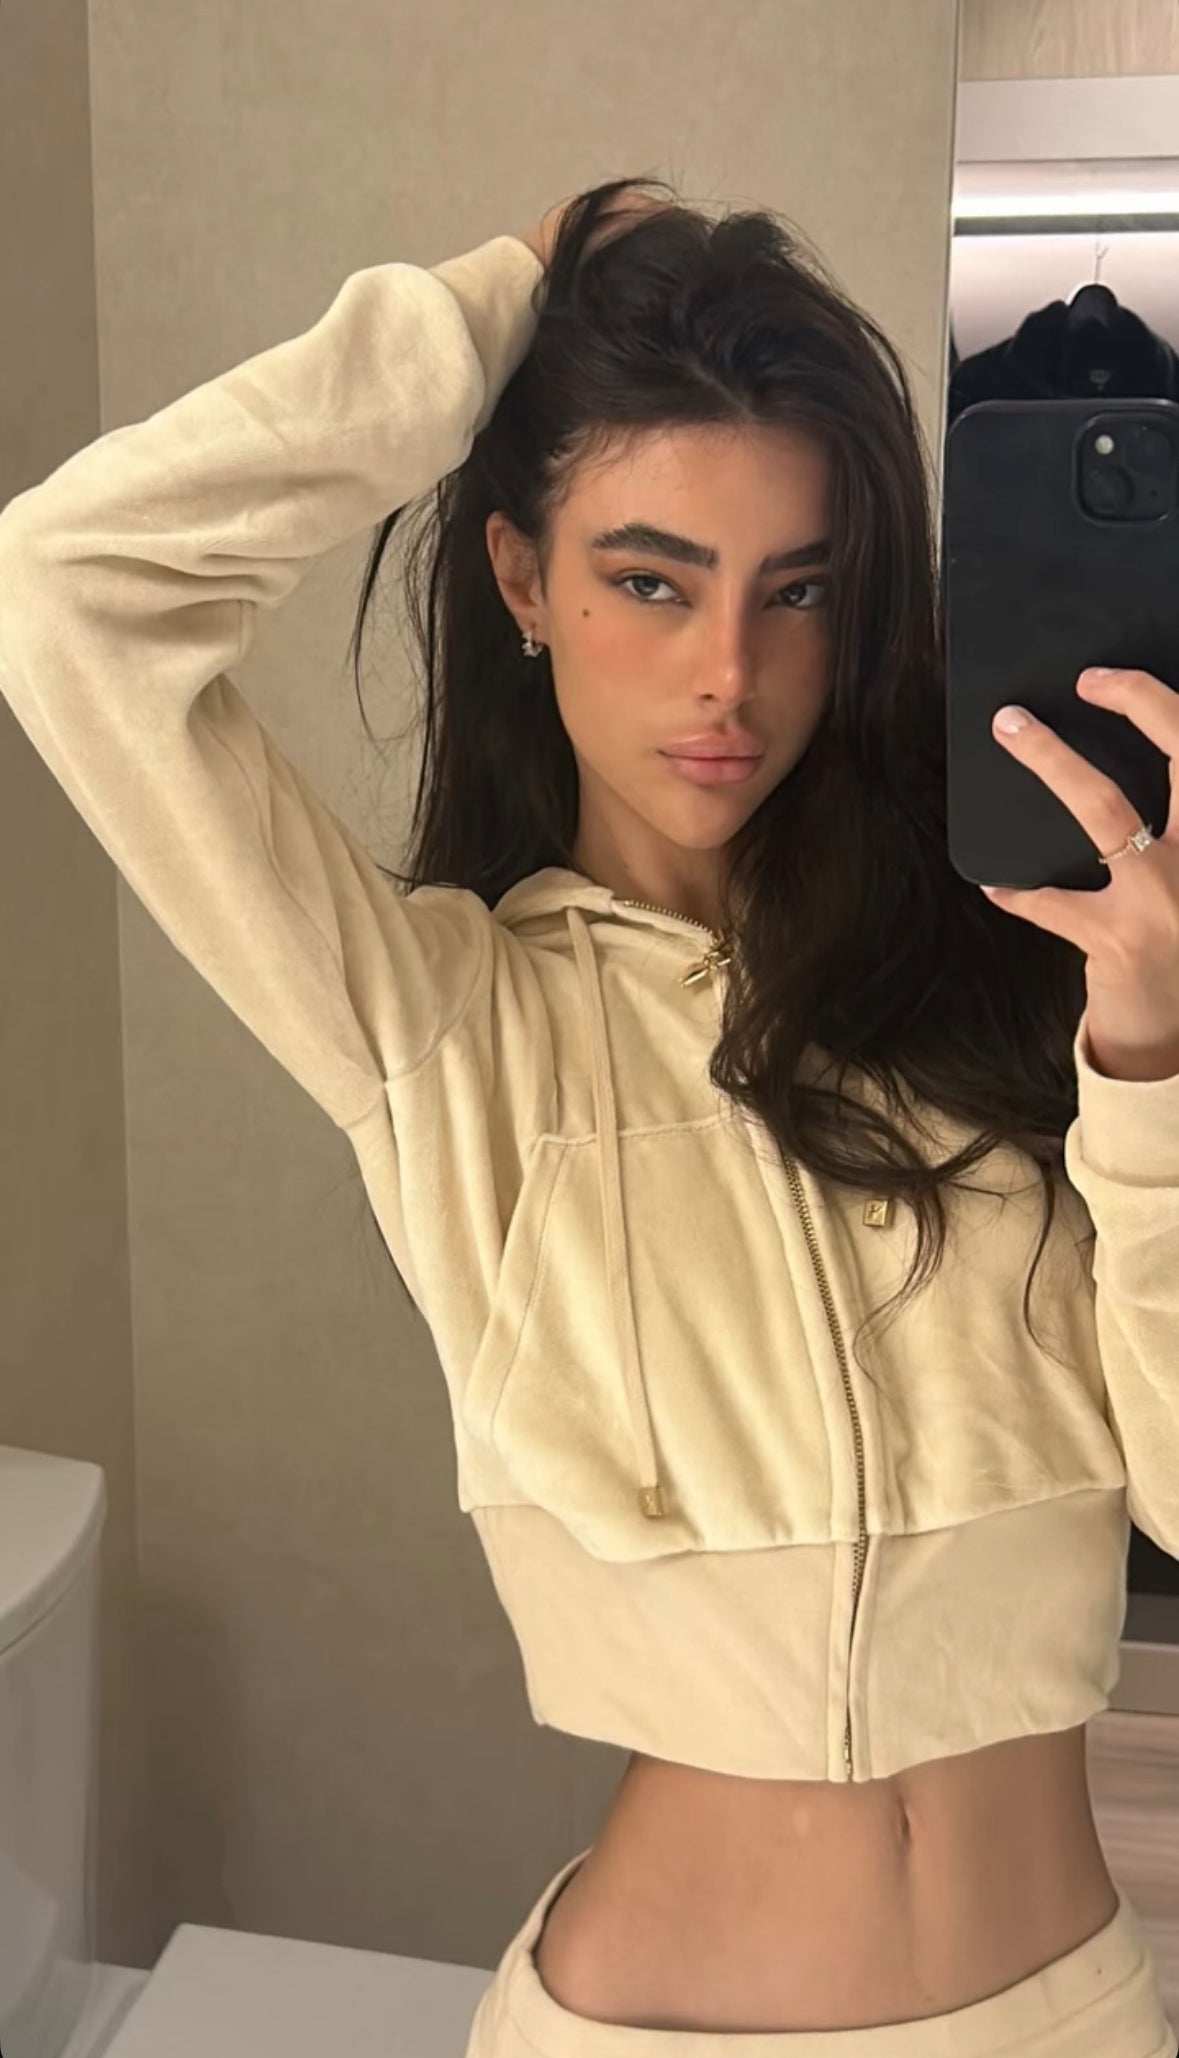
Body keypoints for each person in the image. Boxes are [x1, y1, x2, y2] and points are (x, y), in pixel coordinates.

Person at [0, 174, 1176, 2058]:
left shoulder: (1010, 986)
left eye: (797, 590)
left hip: (1073, 2012)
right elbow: (70, 590)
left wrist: (1152, 1061)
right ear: (522, 581)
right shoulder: (441, 1030)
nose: (730, 674)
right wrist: (504, 300)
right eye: (651, 578)